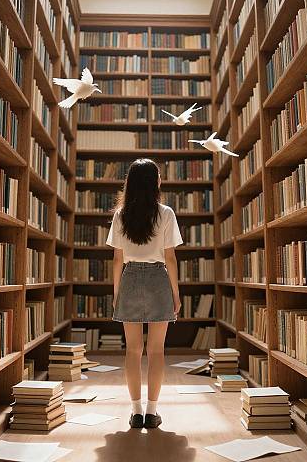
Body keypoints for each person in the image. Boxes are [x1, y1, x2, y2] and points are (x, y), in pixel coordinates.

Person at [106, 158, 183, 429]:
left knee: (133, 351)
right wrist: (175, 293)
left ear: (130, 183)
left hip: (129, 279)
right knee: (156, 351)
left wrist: (117, 293)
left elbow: (117, 260)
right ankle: (152, 412)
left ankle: (135, 412)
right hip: (158, 278)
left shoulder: (120, 215)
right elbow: (170, 258)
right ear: (155, 183)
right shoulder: (166, 213)